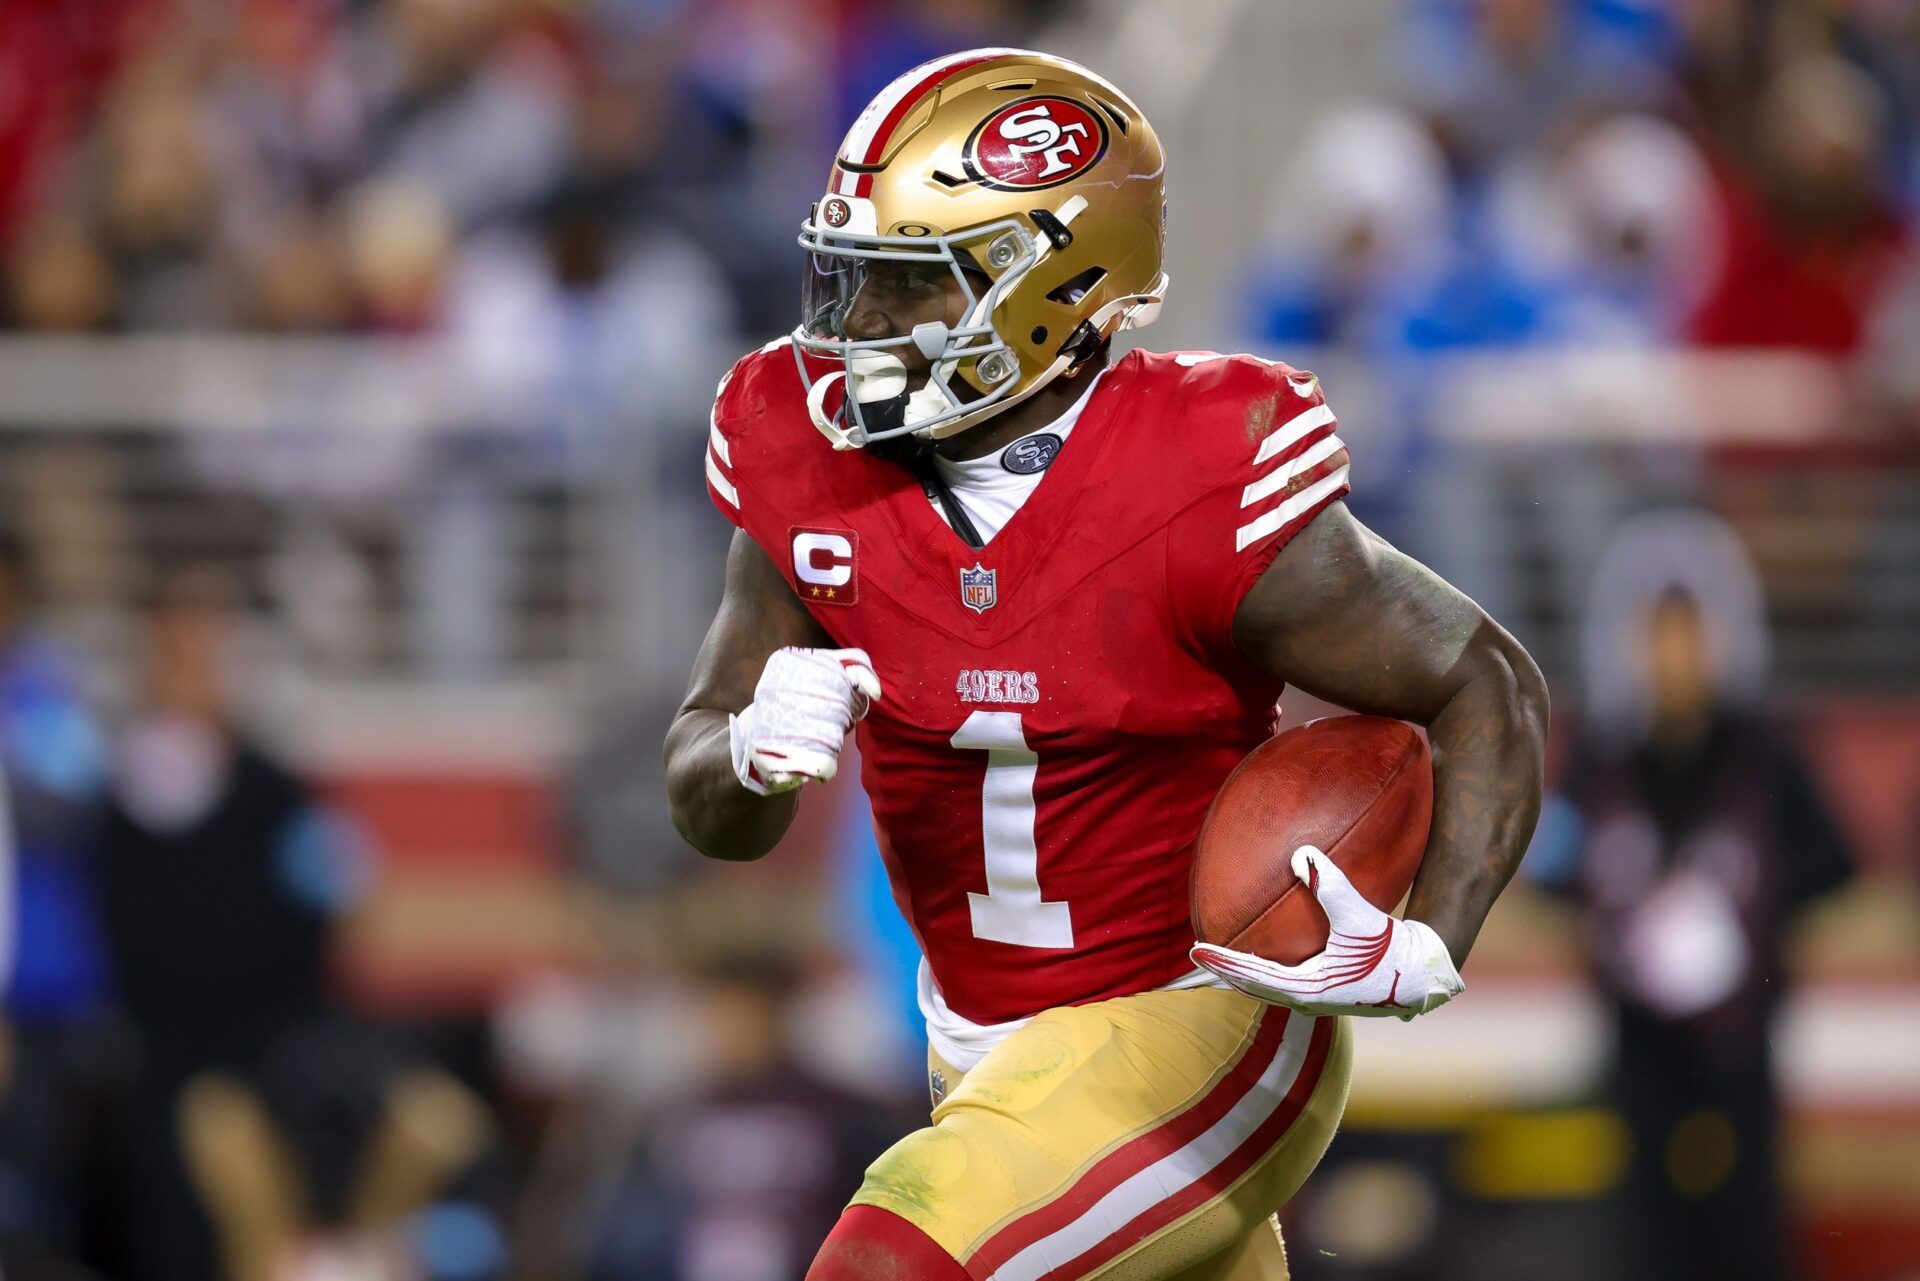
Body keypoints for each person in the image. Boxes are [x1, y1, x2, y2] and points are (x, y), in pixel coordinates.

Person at [663, 50, 1550, 1281]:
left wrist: (1431, 940)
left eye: (908, 287)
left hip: (1203, 1017)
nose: (854, 325)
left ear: (1049, 290)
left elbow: (1484, 681)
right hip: (980, 1051)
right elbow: (709, 800)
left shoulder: (1196, 472)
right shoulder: (804, 461)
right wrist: (748, 751)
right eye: (854, 277)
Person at [1535, 511, 1854, 1281]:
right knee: (1647, 1230)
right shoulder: (1605, 755)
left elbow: (1835, 861)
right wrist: (1630, 910)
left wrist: (1742, 908)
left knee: (1747, 1226)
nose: (1675, 654)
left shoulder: (1767, 750)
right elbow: (1550, 862)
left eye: (1689, 632)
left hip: (1742, 1044)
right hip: (1638, 1041)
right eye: (1658, 633)